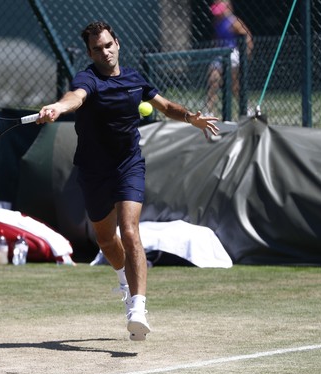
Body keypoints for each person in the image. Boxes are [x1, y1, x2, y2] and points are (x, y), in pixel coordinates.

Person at [36, 21, 219, 341]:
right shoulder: (87, 78)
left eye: (108, 45)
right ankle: (124, 278)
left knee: (130, 230)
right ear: (91, 53)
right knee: (106, 241)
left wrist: (191, 117)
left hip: (129, 165)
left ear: (117, 44)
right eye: (97, 49)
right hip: (94, 172)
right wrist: (58, 107)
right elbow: (75, 97)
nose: (104, 52)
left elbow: (165, 106)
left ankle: (138, 307)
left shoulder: (135, 79)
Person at [207, 0, 253, 114]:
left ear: (227, 8)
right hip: (220, 54)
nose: (218, 14)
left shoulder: (234, 21)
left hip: (233, 54)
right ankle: (208, 111)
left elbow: (247, 36)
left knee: (235, 86)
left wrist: (247, 52)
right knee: (213, 80)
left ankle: (247, 108)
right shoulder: (217, 22)